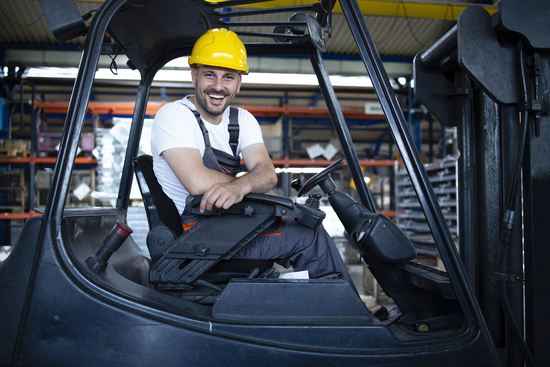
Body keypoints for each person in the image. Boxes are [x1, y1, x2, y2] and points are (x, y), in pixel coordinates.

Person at [151, 28, 358, 294]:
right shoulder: (175, 115)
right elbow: (196, 180)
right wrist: (250, 185)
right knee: (309, 237)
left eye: (228, 77)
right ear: (194, 76)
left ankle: (320, 306)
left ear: (239, 83)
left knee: (302, 223)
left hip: (233, 221)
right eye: (209, 75)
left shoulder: (242, 119)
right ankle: (349, 315)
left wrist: (240, 187)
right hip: (199, 235)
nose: (218, 86)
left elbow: (267, 174)